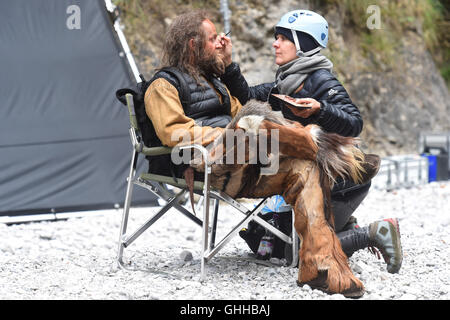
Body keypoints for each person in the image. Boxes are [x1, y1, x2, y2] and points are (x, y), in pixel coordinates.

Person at [219, 9, 403, 274]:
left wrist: (320, 110)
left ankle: (375, 232)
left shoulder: (320, 79)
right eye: (276, 37)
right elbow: (248, 96)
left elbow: (354, 122)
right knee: (263, 239)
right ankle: (343, 226)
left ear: (303, 45)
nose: (275, 43)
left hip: (340, 181)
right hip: (314, 180)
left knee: (293, 253)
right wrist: (228, 64)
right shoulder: (286, 81)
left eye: (283, 38)